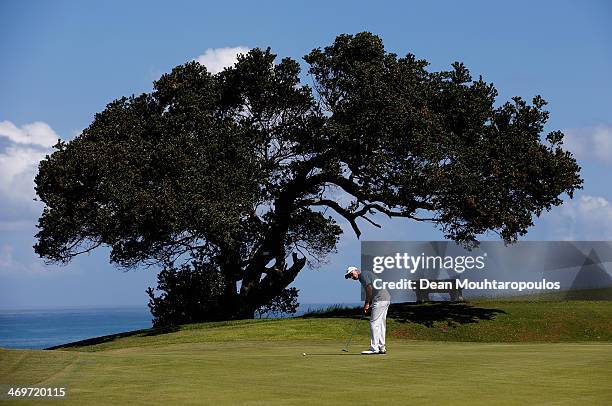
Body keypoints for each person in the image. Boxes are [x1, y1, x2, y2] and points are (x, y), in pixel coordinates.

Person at [344, 266, 391, 355]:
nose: (351, 277)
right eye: (349, 276)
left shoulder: (363, 275)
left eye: (351, 274)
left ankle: (374, 348)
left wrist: (366, 303)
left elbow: (369, 289)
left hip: (380, 298)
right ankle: (382, 347)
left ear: (356, 271)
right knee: (380, 323)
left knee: (374, 323)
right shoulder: (366, 274)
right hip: (386, 297)